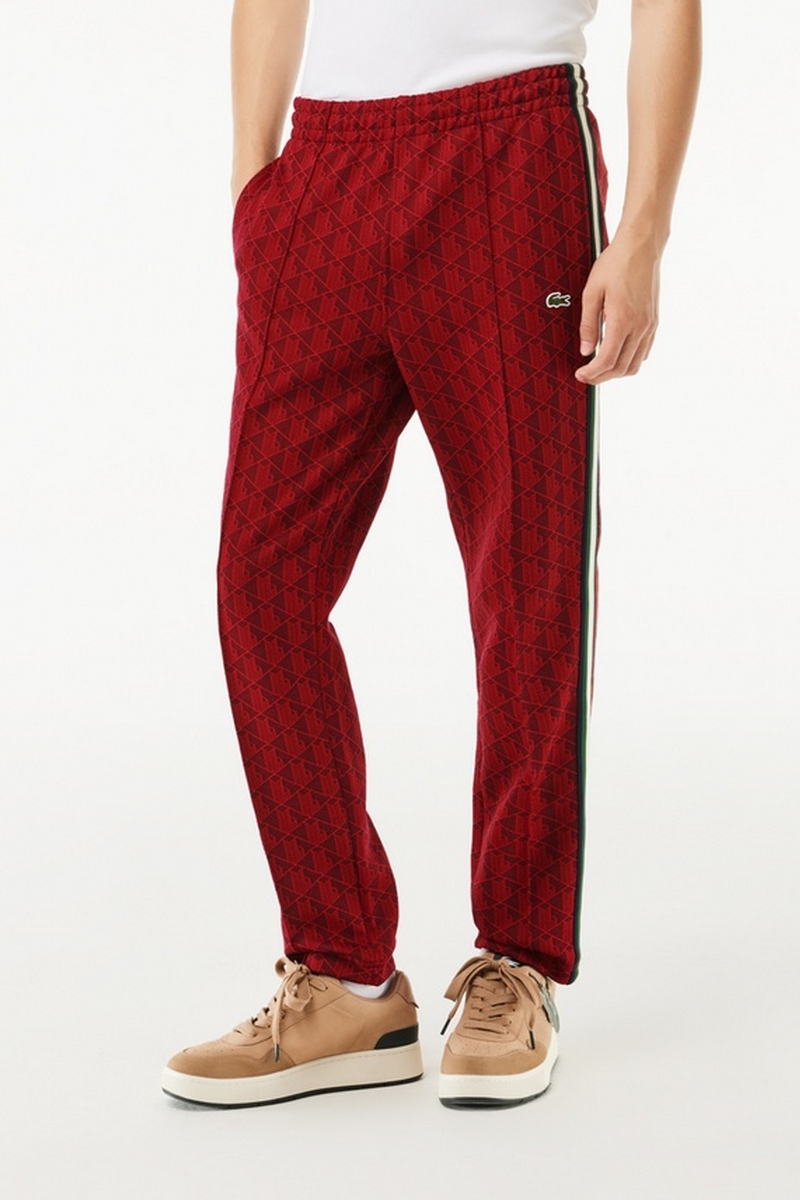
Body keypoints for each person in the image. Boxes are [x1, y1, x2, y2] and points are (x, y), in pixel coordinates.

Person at [163, 0, 701, 1109]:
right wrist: (254, 184)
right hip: (323, 164)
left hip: (511, 152)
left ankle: (518, 962)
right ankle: (345, 976)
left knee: (528, 577)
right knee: (261, 579)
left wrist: (643, 231)